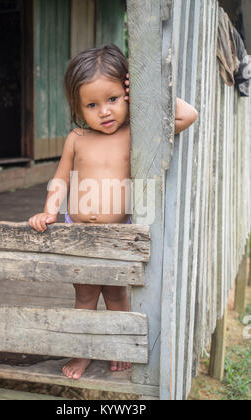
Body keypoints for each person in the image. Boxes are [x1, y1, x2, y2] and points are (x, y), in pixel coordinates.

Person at [28, 44, 198, 380]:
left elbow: (187, 115)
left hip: (119, 235)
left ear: (126, 94)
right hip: (79, 233)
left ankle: (118, 347)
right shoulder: (77, 138)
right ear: (78, 107)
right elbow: (61, 179)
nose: (104, 111)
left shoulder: (138, 132)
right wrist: (49, 210)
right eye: (92, 105)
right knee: (85, 298)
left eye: (113, 99)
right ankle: (83, 352)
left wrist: (146, 91)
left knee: (118, 298)